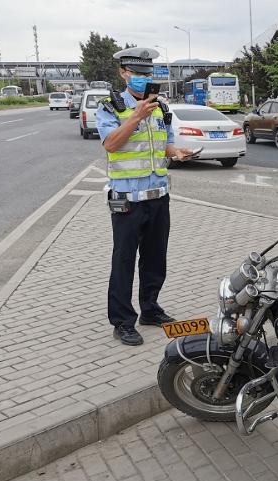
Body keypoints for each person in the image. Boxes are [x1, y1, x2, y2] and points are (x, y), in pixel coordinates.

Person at [95, 47, 195, 346]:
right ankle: (123, 321)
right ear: (123, 73)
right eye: (137, 73)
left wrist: (176, 152)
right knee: (124, 260)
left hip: (158, 196)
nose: (143, 78)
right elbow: (111, 144)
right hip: (126, 199)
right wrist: (135, 116)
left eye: (147, 74)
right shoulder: (111, 106)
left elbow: (163, 144)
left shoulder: (161, 107)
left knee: (155, 259)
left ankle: (150, 309)